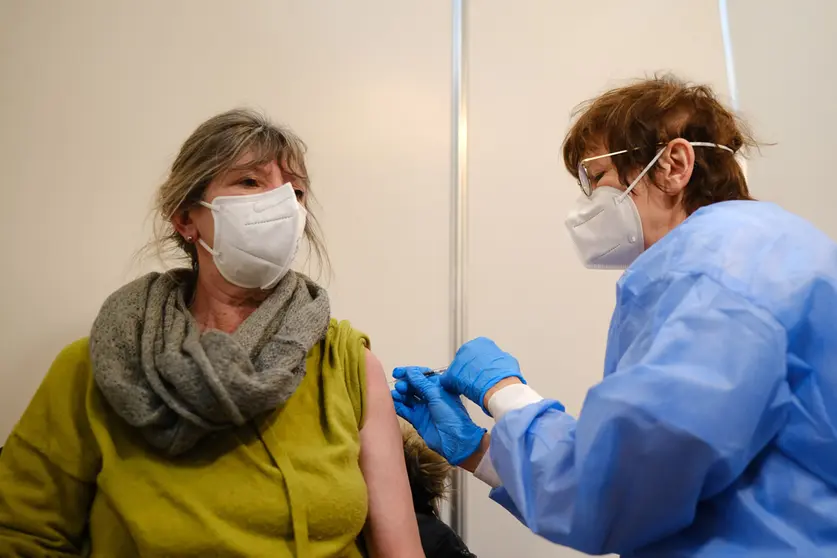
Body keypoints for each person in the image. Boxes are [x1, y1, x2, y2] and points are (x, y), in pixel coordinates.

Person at [393, 76, 837, 557]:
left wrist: (505, 392)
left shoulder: (716, 276)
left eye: (596, 177)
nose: (586, 205)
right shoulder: (770, 253)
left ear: (674, 164)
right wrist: (480, 451)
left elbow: (621, 491)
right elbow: (670, 480)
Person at [0, 109, 424, 557]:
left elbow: (399, 551)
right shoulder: (100, 368)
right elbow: (22, 537)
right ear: (186, 218)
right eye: (250, 182)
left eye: (295, 190)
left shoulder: (347, 364)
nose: (282, 204)